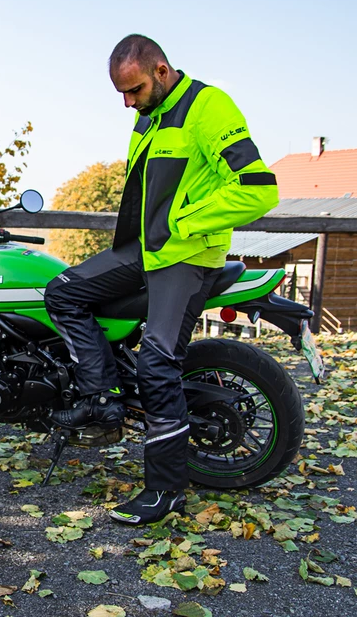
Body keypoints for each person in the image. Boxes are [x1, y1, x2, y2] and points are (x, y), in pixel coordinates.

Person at [44, 34, 278, 525]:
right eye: (122, 95)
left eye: (135, 90)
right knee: (63, 292)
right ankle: (102, 402)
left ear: (163, 71)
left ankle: (166, 491)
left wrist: (185, 221)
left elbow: (258, 189)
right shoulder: (148, 115)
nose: (129, 103)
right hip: (145, 251)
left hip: (188, 256)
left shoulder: (208, 106)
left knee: (156, 363)